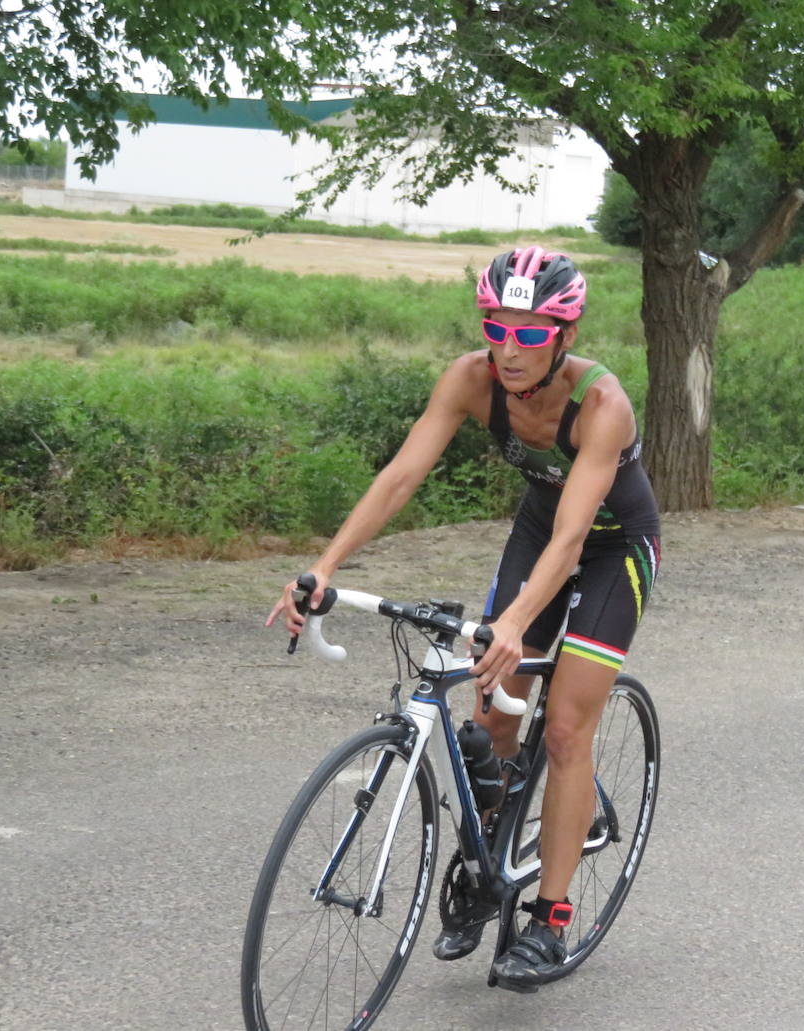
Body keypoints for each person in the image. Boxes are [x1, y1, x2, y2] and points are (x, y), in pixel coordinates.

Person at [266, 245, 661, 992]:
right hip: (538, 530)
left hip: (614, 547)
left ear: (565, 336)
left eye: (532, 333)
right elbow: (402, 475)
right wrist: (326, 566)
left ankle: (549, 916)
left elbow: (578, 536)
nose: (510, 350)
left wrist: (513, 619)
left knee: (570, 726)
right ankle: (491, 855)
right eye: (496, 328)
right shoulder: (471, 379)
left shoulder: (602, 406)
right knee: (490, 714)